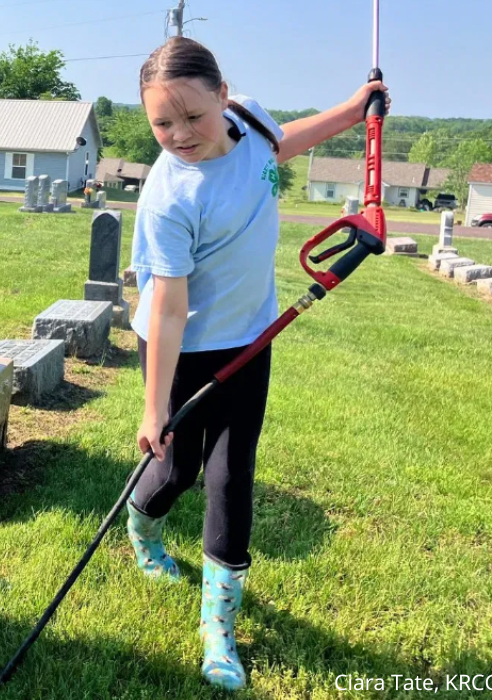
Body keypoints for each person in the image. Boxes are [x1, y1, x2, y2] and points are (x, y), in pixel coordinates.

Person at [124, 37, 390, 691]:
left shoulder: (248, 117)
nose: (180, 135)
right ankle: (142, 530)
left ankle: (218, 628)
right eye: (163, 122)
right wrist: (155, 408)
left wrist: (355, 111)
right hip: (180, 350)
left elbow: (283, 143)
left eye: (193, 116)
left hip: (250, 338)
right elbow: (167, 311)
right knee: (177, 467)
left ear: (223, 95)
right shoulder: (169, 197)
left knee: (231, 476)